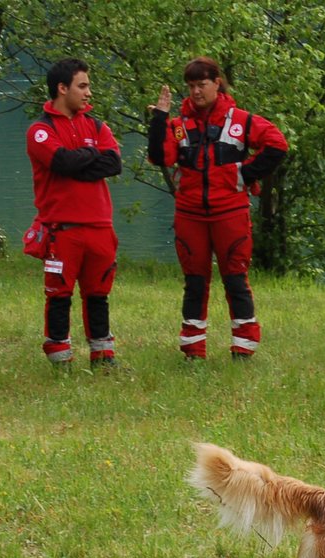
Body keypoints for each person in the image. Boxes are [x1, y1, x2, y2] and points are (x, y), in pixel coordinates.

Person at [147, 57, 287, 361]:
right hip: (190, 215)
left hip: (230, 213)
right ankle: (193, 352)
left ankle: (244, 349)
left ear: (216, 83)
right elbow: (160, 157)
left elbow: (277, 144)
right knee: (195, 282)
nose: (196, 91)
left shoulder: (240, 120)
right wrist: (159, 118)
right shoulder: (178, 125)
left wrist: (242, 175)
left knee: (236, 279)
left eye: (202, 84)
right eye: (191, 86)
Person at [26, 58, 122, 367]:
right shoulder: (40, 130)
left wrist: (81, 159)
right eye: (82, 86)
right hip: (62, 229)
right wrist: (91, 156)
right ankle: (60, 359)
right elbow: (62, 163)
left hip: (100, 228)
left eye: (88, 85)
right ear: (62, 88)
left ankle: (103, 356)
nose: (89, 93)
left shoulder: (96, 125)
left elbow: (114, 163)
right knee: (59, 295)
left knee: (98, 294)